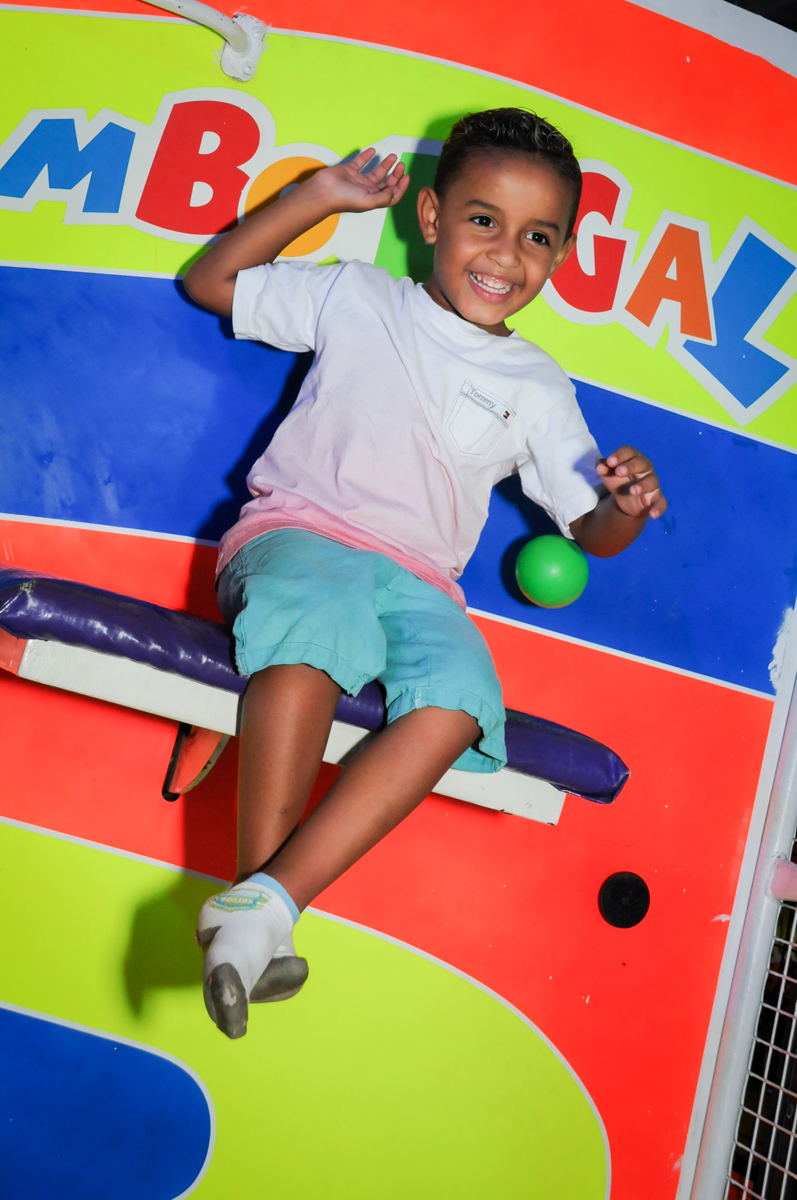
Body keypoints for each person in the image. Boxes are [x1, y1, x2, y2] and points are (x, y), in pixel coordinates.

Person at [184, 108, 667, 1039]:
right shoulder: (359, 296)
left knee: (459, 697)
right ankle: (255, 900)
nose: (505, 255)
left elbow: (591, 532)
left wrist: (625, 505)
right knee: (317, 628)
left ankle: (267, 906)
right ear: (435, 218)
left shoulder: (537, 383)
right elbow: (213, 281)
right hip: (299, 532)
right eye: (484, 220)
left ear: (559, 255)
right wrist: (318, 196)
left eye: (537, 238)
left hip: (419, 582)